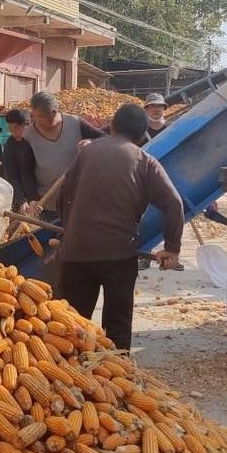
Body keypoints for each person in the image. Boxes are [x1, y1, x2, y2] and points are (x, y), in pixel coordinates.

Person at [57, 103, 184, 350]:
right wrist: (172, 248)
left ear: (112, 126)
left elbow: (64, 193)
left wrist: (69, 229)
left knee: (73, 326)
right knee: (117, 327)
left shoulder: (86, 152)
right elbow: (174, 204)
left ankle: (70, 370)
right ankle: (117, 371)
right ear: (142, 135)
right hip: (118, 255)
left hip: (76, 252)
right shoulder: (144, 161)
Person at [25, 91, 105, 214]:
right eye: (34, 116)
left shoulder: (75, 123)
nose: (36, 121)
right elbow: (26, 171)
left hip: (77, 202)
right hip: (46, 204)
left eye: (41, 117)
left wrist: (91, 143)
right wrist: (32, 198)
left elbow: (106, 140)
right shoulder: (28, 135)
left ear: (53, 113)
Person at [0, 109, 39, 213]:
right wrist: (21, 199)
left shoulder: (39, 139)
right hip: (28, 194)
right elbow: (12, 175)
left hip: (46, 189)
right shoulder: (10, 145)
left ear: (28, 125)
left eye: (16, 128)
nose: (13, 132)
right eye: (10, 129)